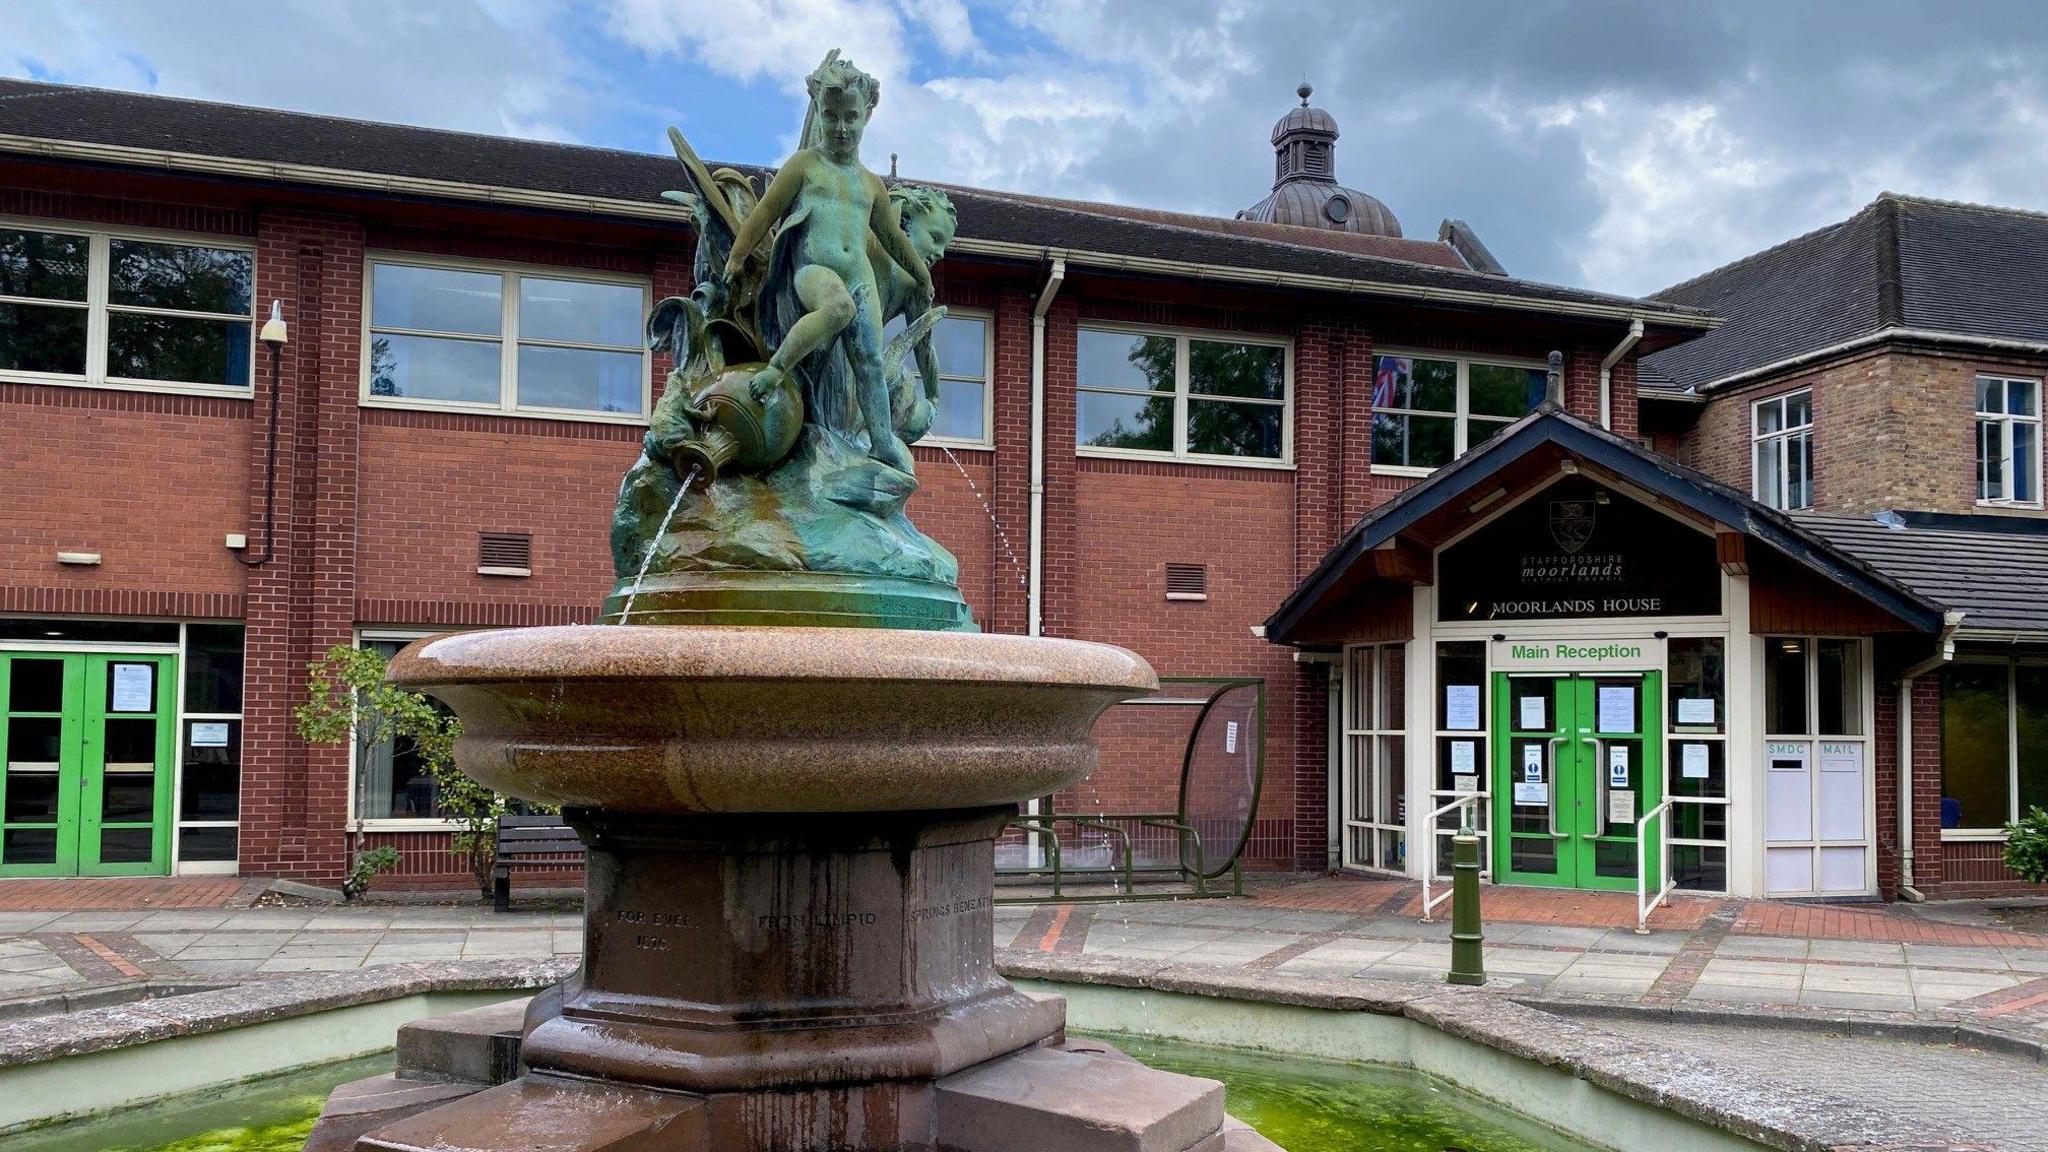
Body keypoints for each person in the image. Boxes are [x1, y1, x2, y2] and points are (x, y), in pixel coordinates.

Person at [723, 54, 931, 473]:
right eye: (831, 115)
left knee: (869, 361)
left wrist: (922, 275)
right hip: (812, 271)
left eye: (850, 117)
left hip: (860, 277)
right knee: (837, 308)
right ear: (818, 111)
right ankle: (776, 370)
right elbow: (763, 215)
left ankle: (882, 441)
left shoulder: (871, 184)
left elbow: (892, 238)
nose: (841, 127)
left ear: (867, 115)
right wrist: (737, 257)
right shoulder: (803, 166)